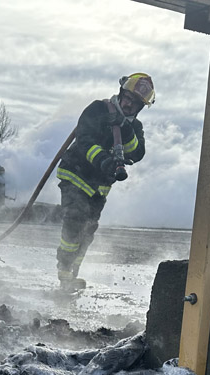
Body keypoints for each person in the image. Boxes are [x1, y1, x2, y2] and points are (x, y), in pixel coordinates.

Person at [55, 73, 155, 290]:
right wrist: (104, 162)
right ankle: (64, 270)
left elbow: (137, 153)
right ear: (121, 93)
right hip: (76, 174)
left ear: (140, 107)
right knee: (75, 220)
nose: (128, 104)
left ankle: (73, 273)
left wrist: (126, 129)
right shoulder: (98, 109)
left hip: (100, 187)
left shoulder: (134, 128)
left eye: (135, 102)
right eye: (127, 97)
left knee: (88, 230)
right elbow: (85, 140)